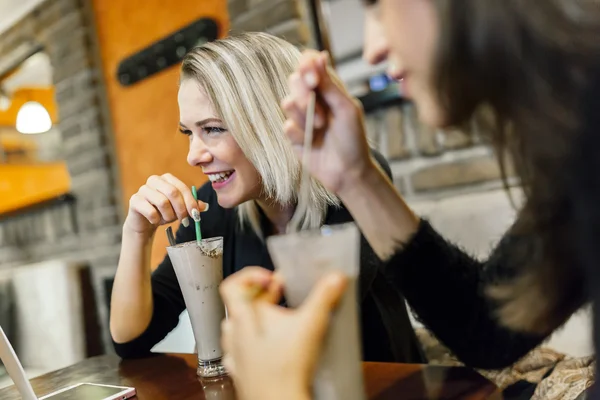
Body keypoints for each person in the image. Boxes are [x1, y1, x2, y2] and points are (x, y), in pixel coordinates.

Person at [220, 0, 600, 399]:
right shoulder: (578, 153)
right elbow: (489, 328)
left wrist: (276, 389)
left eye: (378, 6)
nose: (373, 49)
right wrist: (356, 177)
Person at [108, 32, 424, 365]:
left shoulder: (350, 178)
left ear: (269, 122)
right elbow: (132, 340)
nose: (193, 156)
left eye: (213, 129)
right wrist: (137, 235)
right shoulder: (211, 206)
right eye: (189, 133)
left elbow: (307, 338)